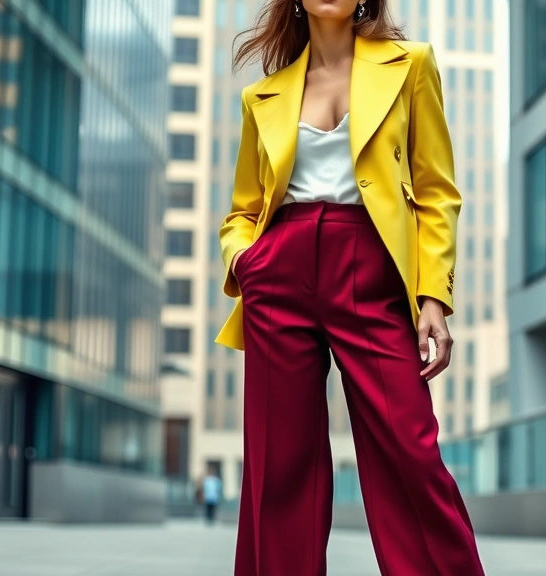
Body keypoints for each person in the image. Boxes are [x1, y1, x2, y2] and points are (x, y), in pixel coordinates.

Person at [215, 1, 485, 574]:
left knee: (410, 452)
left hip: (370, 265)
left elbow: (437, 191)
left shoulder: (410, 66)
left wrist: (434, 297)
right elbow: (242, 210)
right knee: (277, 466)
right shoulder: (263, 96)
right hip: (278, 271)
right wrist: (245, 260)